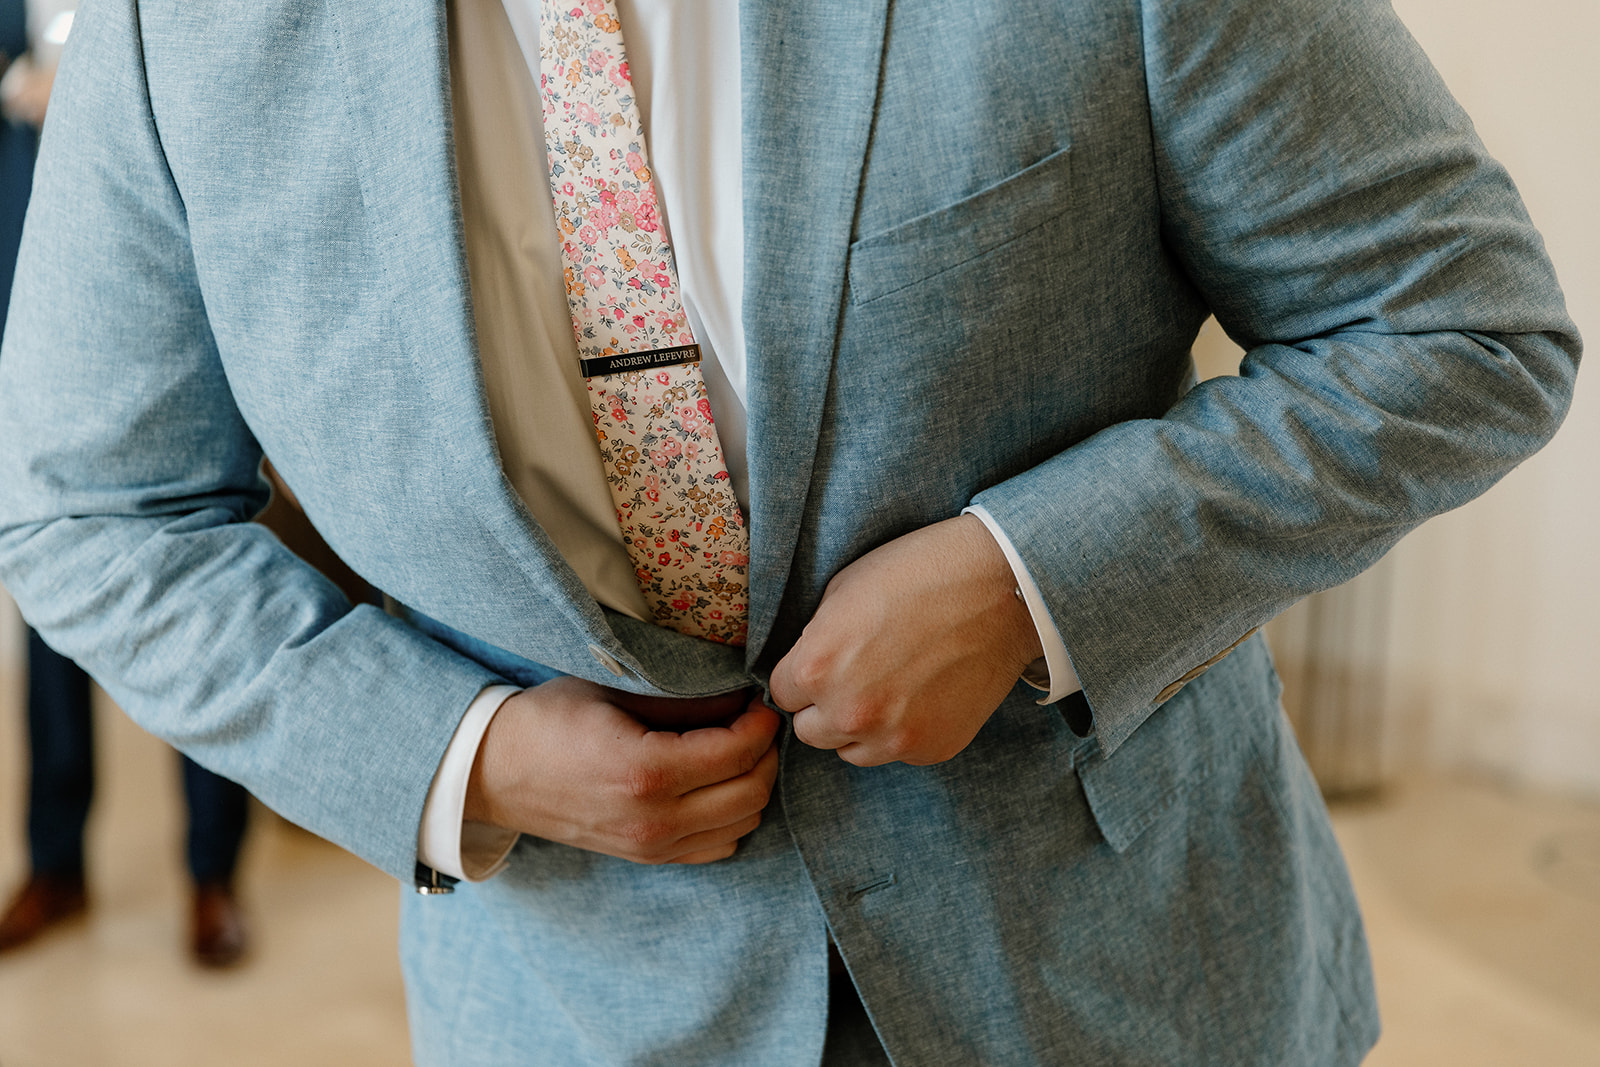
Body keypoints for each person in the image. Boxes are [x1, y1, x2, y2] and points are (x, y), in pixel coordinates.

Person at [0, 0, 1579, 1062]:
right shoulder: (175, 32)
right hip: (574, 1009)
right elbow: (88, 510)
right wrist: (462, 758)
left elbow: (1459, 324)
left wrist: (1032, 583)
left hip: (1117, 984)